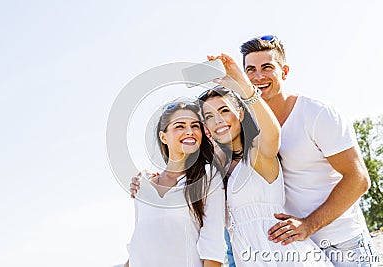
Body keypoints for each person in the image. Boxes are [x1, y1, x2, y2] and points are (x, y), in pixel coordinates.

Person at [131, 54, 333, 266]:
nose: (217, 119)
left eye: (224, 110)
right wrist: (145, 180)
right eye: (208, 116)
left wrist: (242, 82)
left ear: (241, 114)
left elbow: (272, 133)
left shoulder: (257, 156)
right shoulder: (214, 171)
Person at [239, 35, 377, 266]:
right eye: (250, 69)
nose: (258, 76)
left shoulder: (316, 114)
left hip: (344, 243)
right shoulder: (249, 128)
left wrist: (308, 224)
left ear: (285, 71)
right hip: (298, 249)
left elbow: (359, 179)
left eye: (267, 67)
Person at [125, 100, 226, 267]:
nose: (190, 132)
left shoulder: (208, 178)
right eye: (180, 126)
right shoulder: (143, 185)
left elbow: (213, 248)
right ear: (163, 137)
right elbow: (139, 243)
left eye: (195, 126)